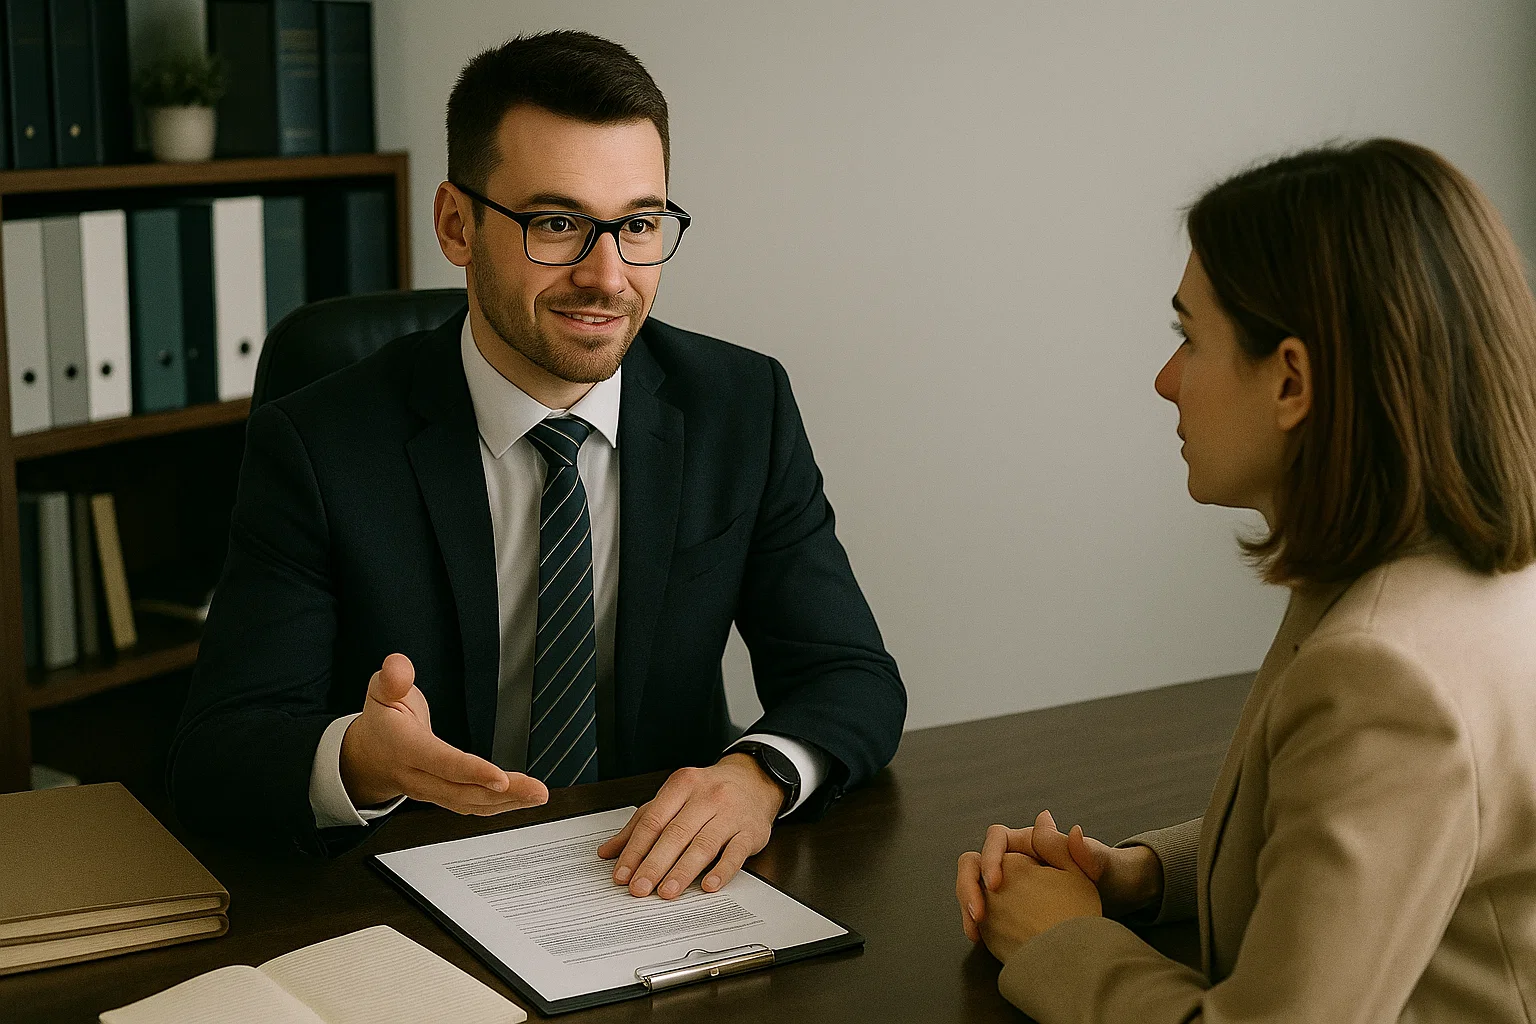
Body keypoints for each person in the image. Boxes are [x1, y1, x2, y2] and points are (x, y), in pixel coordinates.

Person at [169, 30, 906, 904]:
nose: (608, 276)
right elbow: (219, 751)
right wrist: (357, 762)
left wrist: (758, 775)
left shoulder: (742, 407)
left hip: (651, 885)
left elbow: (850, 674)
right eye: (556, 223)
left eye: (637, 225)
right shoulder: (321, 442)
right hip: (412, 897)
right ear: (456, 223)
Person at [956, 139, 1536, 1022]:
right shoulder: (1457, 578)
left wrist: (1057, 940)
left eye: (1189, 337)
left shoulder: (1386, 674)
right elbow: (1372, 839)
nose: (1163, 380)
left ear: (1292, 380)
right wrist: (1145, 876)